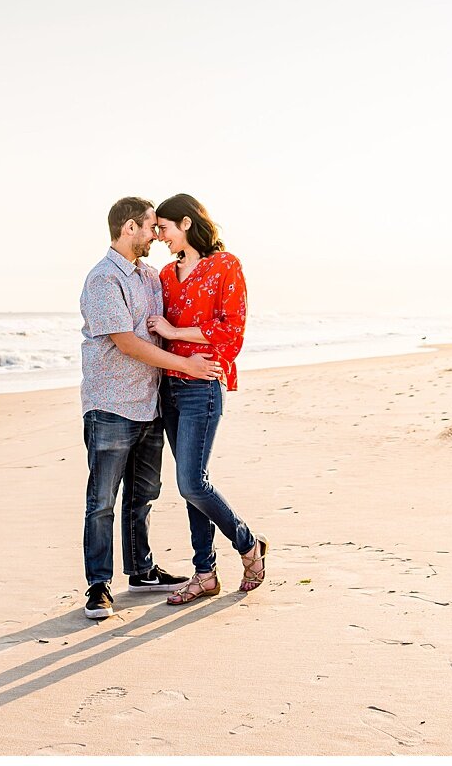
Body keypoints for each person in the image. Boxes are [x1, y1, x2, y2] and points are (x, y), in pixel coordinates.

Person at [79, 196, 224, 620]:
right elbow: (126, 342)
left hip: (150, 402)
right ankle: (98, 585)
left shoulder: (149, 276)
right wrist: (186, 365)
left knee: (144, 495)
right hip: (111, 404)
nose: (156, 236)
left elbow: (165, 327)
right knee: (102, 499)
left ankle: (141, 571)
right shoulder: (104, 279)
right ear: (129, 228)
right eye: (150, 227)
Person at [146, 193, 269, 605]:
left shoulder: (225, 266)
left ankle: (248, 544)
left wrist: (176, 333)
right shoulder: (165, 274)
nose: (159, 235)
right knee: (190, 486)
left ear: (185, 223)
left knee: (191, 482)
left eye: (163, 227)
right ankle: (205, 574)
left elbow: (231, 332)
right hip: (169, 388)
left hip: (203, 387)